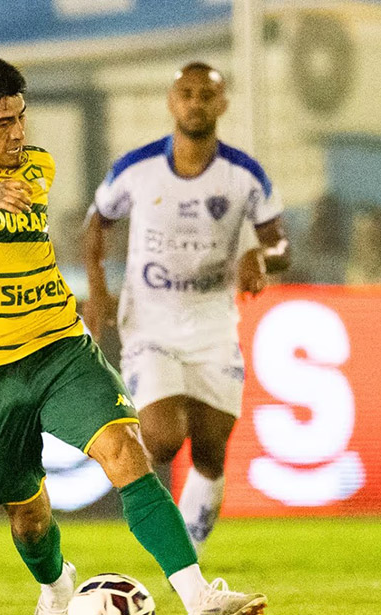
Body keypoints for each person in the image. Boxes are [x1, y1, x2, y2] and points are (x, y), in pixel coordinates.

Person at [0, 54, 267, 615]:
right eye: (3, 123)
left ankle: (199, 597)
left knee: (126, 451)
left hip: (58, 346)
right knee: (28, 517)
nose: (18, 133)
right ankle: (56, 586)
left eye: (21, 117)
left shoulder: (37, 166)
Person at [84, 62, 290, 556]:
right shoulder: (137, 167)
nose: (196, 102)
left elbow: (281, 244)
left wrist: (261, 257)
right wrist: (98, 290)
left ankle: (188, 559)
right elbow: (96, 225)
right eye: (187, 93)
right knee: (162, 439)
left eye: (206, 94)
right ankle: (173, 549)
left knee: (212, 452)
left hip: (213, 325)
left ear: (222, 104)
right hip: (149, 322)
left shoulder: (244, 174)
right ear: (172, 102)